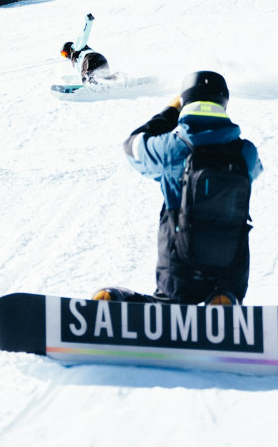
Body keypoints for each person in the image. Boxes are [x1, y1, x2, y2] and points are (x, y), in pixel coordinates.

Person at [94, 71, 262, 306]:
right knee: (228, 278)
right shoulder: (246, 152)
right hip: (231, 263)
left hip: (180, 264)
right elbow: (255, 171)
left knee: (169, 304)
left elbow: (133, 146)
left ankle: (118, 304)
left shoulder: (171, 148)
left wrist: (169, 113)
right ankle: (224, 299)